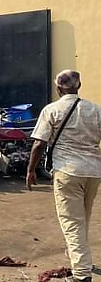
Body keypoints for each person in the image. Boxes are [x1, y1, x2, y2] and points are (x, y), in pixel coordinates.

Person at [26, 70, 101, 282]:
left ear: (58, 89)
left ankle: (82, 275)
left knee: (72, 222)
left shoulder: (52, 109)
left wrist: (31, 169)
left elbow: (40, 143)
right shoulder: (95, 110)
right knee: (82, 218)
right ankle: (80, 259)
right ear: (80, 85)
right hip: (94, 172)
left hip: (68, 172)